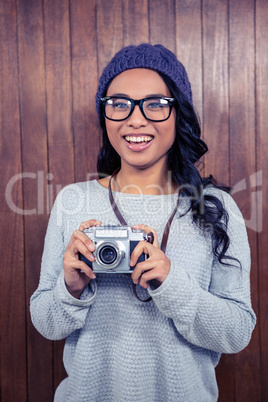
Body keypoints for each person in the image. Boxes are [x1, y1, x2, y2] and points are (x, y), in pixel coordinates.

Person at [30, 43, 256, 402]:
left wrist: (172, 282)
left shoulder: (217, 208)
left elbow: (237, 332)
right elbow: (46, 322)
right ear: (105, 116)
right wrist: (70, 288)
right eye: (118, 104)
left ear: (178, 113)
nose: (135, 119)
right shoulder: (72, 202)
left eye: (155, 104)